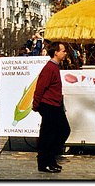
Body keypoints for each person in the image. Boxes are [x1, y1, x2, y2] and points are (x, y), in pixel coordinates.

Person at [33, 41, 70, 173]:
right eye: (63, 51)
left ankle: (51, 158)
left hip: (55, 105)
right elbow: (40, 87)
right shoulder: (49, 68)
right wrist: (36, 105)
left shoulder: (55, 67)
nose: (65, 53)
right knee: (47, 136)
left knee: (63, 131)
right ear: (56, 52)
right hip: (48, 105)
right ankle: (44, 163)